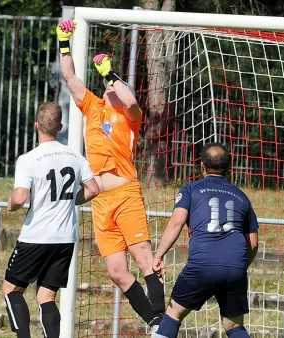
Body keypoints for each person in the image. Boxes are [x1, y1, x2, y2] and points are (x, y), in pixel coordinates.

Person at [56, 19, 166, 332]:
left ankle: (160, 320)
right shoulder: (92, 107)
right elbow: (69, 75)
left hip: (126, 194)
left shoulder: (129, 116)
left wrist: (110, 73)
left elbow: (130, 99)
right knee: (117, 271)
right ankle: (152, 319)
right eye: (108, 86)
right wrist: (64, 41)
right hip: (101, 200)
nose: (111, 89)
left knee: (145, 260)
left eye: (114, 85)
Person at [2, 102, 100, 338]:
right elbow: (94, 189)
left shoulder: (29, 159)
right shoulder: (74, 156)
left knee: (11, 290)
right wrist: (70, 201)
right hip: (64, 238)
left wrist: (11, 204)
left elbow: (20, 196)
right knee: (46, 297)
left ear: (36, 125)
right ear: (61, 127)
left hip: (36, 236)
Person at [151, 142, 259, 338]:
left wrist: (158, 255)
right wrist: (240, 266)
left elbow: (176, 224)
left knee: (173, 313)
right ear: (229, 167)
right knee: (234, 327)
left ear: (202, 166)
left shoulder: (191, 189)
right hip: (235, 268)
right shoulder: (242, 197)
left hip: (202, 265)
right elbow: (253, 243)